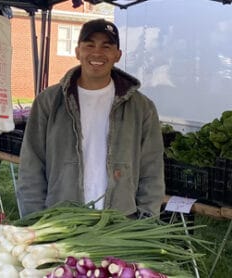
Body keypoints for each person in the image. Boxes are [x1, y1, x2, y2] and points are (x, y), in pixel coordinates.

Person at [16, 18, 165, 218]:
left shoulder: (142, 108)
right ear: (77, 52)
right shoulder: (49, 102)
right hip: (61, 218)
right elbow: (31, 165)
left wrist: (145, 220)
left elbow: (152, 169)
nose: (97, 53)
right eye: (89, 45)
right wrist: (33, 219)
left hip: (119, 222)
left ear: (117, 55)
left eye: (106, 46)